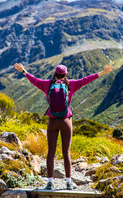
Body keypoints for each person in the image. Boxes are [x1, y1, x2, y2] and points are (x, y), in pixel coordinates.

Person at [14, 62, 112, 190]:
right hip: (66, 121)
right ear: (65, 74)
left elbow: (34, 80)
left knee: (51, 152)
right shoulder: (71, 84)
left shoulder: (47, 84)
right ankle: (68, 182)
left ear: (55, 73)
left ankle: (49, 182)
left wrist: (23, 71)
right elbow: (86, 80)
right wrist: (103, 72)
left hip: (52, 122)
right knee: (66, 152)